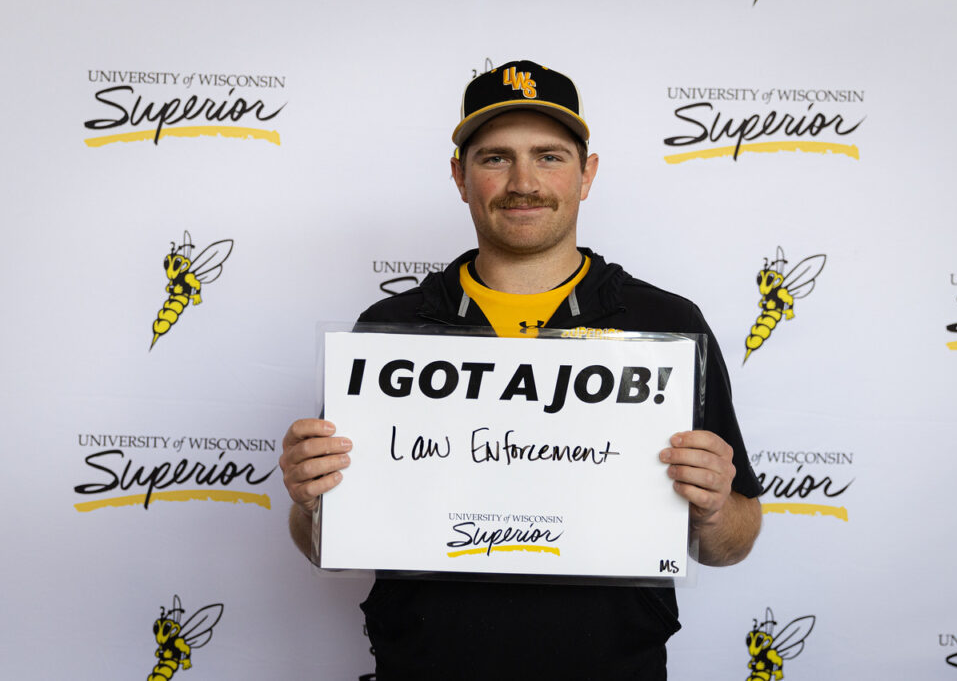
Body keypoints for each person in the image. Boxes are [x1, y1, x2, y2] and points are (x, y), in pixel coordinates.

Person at [280, 60, 762, 680]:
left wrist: (715, 509)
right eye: (495, 158)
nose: (524, 181)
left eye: (550, 156)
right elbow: (320, 538)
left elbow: (735, 540)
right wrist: (310, 501)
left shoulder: (662, 324)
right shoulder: (392, 329)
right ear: (459, 176)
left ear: (587, 174)